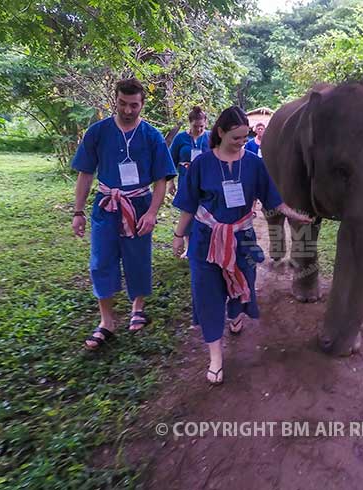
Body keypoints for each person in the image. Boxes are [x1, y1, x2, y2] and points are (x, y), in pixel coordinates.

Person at [172, 106, 311, 385]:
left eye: (245, 137)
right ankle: (215, 357)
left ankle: (236, 315)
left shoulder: (253, 163)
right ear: (220, 132)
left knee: (242, 284)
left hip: (242, 239)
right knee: (208, 293)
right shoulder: (201, 165)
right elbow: (187, 205)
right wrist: (178, 235)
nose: (242, 142)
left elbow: (273, 198)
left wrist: (295, 214)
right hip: (206, 241)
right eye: (236, 137)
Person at [71, 78, 177, 351]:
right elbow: (85, 173)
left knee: (138, 258)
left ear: (142, 104)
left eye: (134, 105)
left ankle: (137, 307)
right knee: (100, 261)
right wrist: (78, 211)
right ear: (114, 100)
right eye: (122, 104)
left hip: (139, 205)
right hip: (106, 205)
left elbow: (161, 179)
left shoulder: (152, 136)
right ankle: (106, 321)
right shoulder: (98, 132)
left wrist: (153, 212)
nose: (128, 110)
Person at [168, 106, 210, 196]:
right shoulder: (180, 138)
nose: (198, 129)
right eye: (195, 126)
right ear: (190, 123)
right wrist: (170, 182)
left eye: (201, 126)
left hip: (206, 181)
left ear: (206, 123)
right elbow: (171, 160)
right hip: (185, 181)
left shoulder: (211, 137)